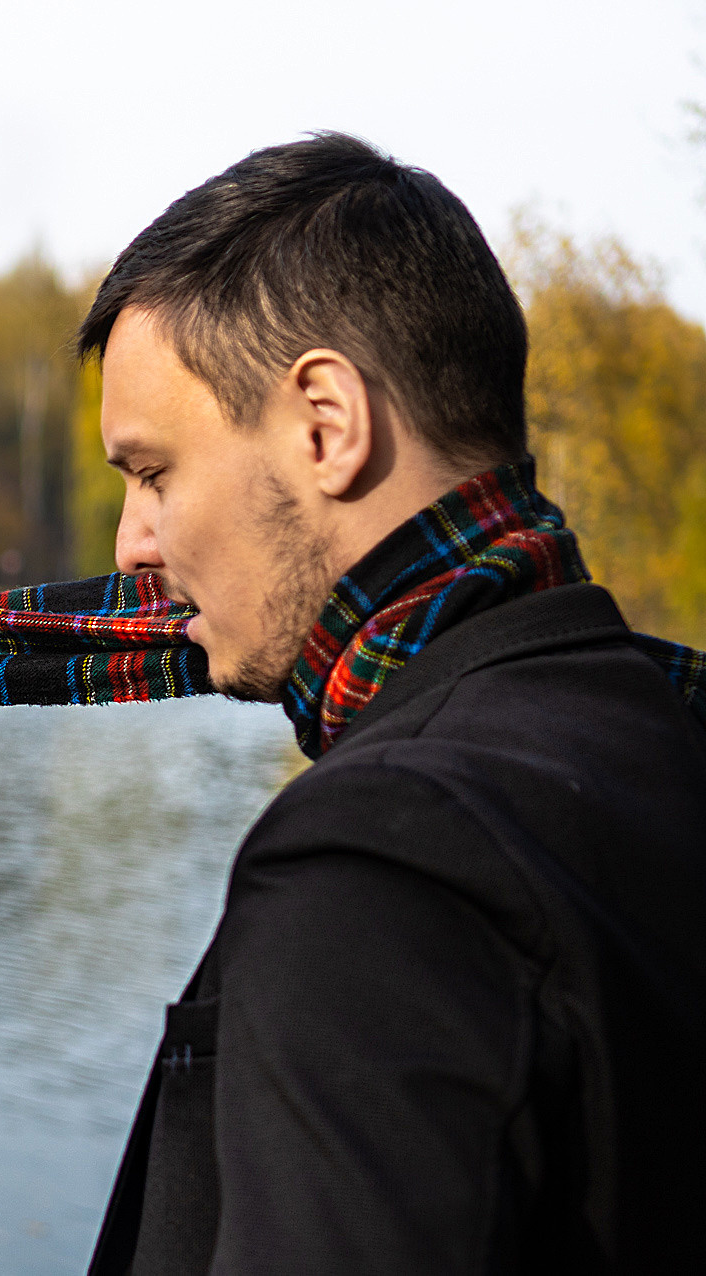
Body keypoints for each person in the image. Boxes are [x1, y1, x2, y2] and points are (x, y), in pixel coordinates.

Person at [75, 133, 706, 1273]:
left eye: (153, 472)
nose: (131, 546)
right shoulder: (659, 730)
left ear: (325, 422)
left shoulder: (378, 860)